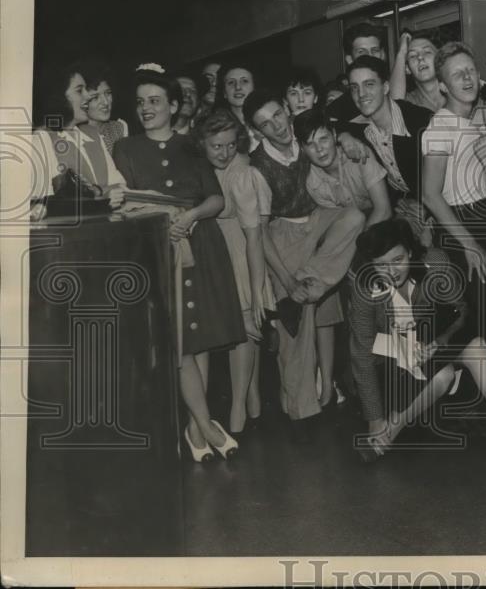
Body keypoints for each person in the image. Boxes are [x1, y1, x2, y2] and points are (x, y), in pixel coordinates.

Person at [113, 68, 245, 462]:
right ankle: (204, 425)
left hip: (198, 246)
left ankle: (195, 429)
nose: (146, 108)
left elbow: (216, 199)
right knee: (178, 342)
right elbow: (123, 204)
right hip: (156, 250)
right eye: (140, 102)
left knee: (199, 337)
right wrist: (159, 223)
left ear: (173, 105)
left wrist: (188, 218)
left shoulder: (191, 146)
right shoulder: (125, 149)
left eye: (154, 101)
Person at [349, 219, 486, 465]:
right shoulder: (364, 287)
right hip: (392, 369)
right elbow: (362, 354)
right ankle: (387, 431)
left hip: (431, 349)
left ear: (410, 252)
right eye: (381, 265)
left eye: (397, 260)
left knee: (475, 347)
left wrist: (440, 341)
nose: (392, 272)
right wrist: (374, 419)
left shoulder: (435, 262)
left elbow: (463, 313)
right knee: (443, 374)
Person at [245, 89, 365, 437]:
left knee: (354, 216)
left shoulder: (303, 138)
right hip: (282, 234)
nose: (277, 127)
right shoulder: (257, 166)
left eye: (278, 116)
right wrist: (285, 278)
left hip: (317, 219)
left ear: (286, 110)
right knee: (294, 335)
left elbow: (333, 130)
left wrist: (343, 135)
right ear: (258, 132)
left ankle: (307, 285)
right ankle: (301, 414)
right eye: (265, 125)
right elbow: (261, 233)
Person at [294, 106, 391, 411]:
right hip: (351, 242)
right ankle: (366, 383)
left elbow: (384, 209)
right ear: (302, 148)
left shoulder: (357, 155)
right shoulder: (313, 181)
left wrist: (360, 253)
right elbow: (338, 228)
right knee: (357, 306)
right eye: (310, 144)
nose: (319, 149)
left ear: (335, 136)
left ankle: (313, 282)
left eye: (323, 139)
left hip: (385, 231)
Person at [420, 42, 486, 348]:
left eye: (470, 70)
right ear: (443, 86)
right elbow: (430, 196)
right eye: (457, 74)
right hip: (462, 224)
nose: (467, 78)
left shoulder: (476, 118)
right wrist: (470, 244)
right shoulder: (439, 128)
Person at [196, 108, 275, 435]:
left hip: (242, 256)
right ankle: (251, 398)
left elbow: (255, 238)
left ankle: (238, 408)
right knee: (243, 334)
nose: (225, 152)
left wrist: (257, 289)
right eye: (217, 146)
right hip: (218, 256)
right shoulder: (203, 169)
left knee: (244, 332)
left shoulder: (241, 174)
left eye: (230, 145)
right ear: (202, 143)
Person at [341, 55, 434, 242]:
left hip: (441, 206)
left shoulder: (421, 122)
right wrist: (343, 136)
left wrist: (427, 210)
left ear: (385, 87)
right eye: (354, 88)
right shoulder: (359, 129)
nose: (361, 94)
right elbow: (328, 123)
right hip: (402, 209)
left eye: (369, 85)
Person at [33, 62, 126, 209]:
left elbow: (119, 187)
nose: (88, 95)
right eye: (79, 91)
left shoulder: (92, 134)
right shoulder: (42, 139)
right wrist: (101, 199)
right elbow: (42, 205)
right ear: (59, 97)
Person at [80, 61, 129, 154]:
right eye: (95, 97)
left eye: (108, 93)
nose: (105, 102)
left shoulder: (119, 129)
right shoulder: (73, 135)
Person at [389, 31, 445, 113]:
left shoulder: (456, 93)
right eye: (413, 56)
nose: (420, 57)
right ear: (407, 69)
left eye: (427, 52)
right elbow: (394, 107)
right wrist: (401, 53)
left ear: (439, 60)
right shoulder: (411, 102)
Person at [215, 60, 260, 150]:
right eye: (231, 82)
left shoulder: (268, 120)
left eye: (244, 81)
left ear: (254, 87)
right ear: (224, 92)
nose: (238, 87)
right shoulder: (217, 128)